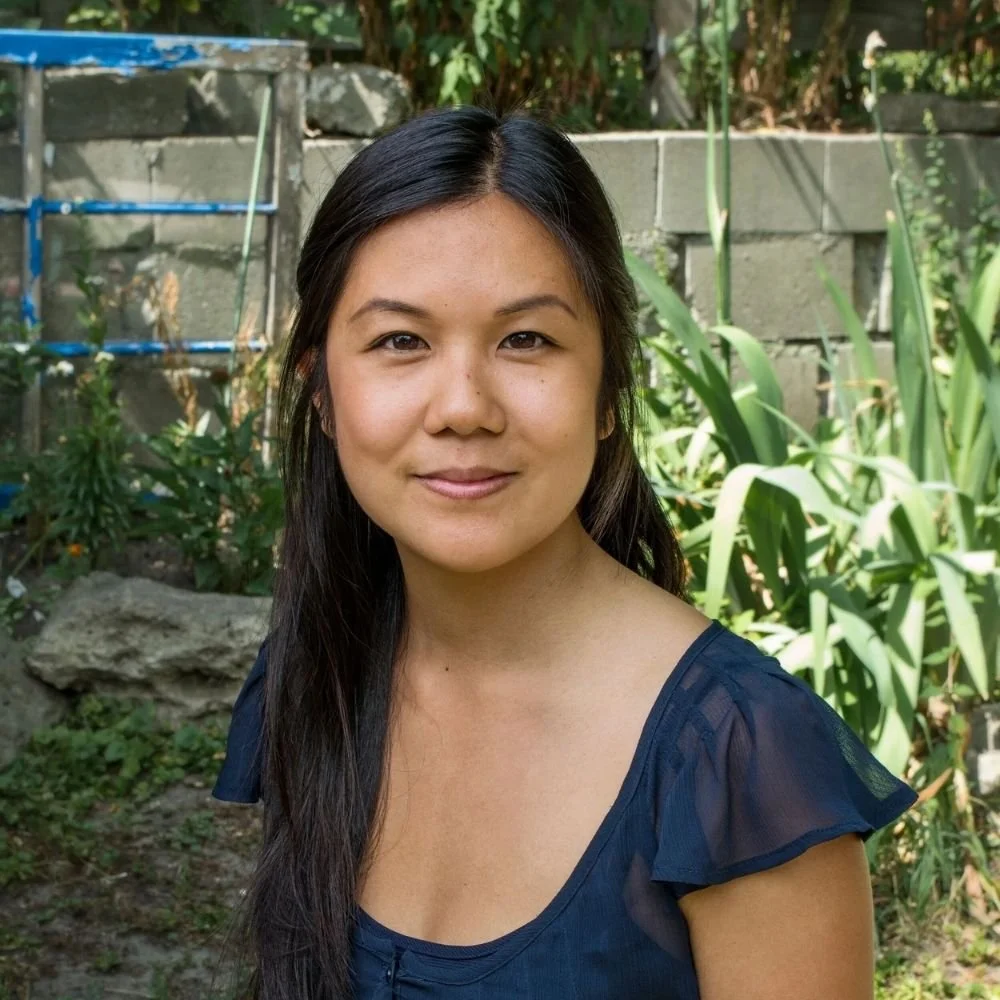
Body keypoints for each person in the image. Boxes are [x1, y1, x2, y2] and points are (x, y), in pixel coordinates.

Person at [212, 104, 918, 1000]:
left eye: (527, 339)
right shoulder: (317, 674)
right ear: (321, 394)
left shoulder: (735, 764)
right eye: (401, 341)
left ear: (607, 391)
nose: (464, 405)